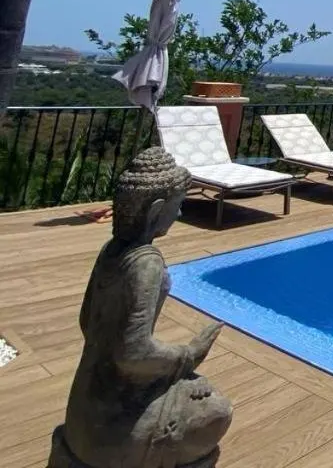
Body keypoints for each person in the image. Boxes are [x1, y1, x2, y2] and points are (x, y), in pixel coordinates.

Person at [52, 147, 232, 468]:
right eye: (177, 205)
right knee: (218, 411)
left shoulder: (111, 250)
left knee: (198, 391)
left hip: (83, 409)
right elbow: (131, 354)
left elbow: (87, 321)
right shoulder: (146, 263)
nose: (179, 214)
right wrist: (189, 354)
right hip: (112, 430)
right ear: (156, 210)